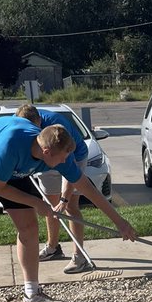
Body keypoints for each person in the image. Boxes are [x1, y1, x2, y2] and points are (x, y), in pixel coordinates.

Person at [0, 112, 136, 302]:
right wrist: (37, 203)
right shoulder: (11, 145)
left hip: (13, 171)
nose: (66, 162)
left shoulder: (56, 152)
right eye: (63, 158)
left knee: (29, 228)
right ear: (46, 152)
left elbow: (86, 187)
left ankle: (31, 294)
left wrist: (119, 222)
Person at [13, 105, 92, 274]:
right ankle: (53, 248)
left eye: (33, 128)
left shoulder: (57, 128)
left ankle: (79, 257)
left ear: (39, 121)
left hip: (73, 156)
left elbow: (68, 168)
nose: (30, 132)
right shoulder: (21, 124)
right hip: (46, 158)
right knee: (50, 204)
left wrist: (64, 198)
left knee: (70, 205)